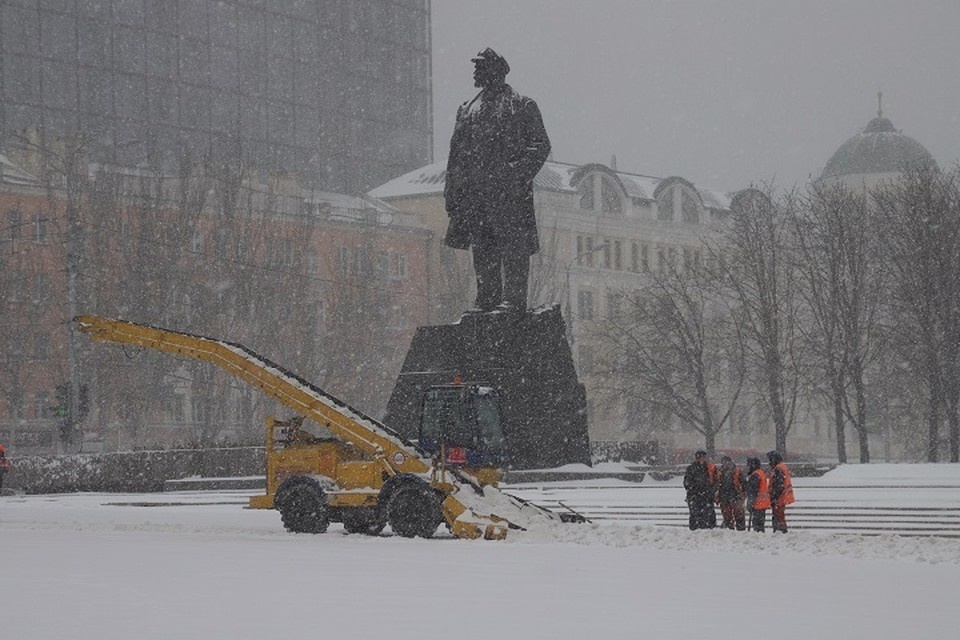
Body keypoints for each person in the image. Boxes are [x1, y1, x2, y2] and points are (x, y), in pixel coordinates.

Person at [444, 47, 552, 312]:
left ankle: (514, 301)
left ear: (497, 70)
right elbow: (456, 154)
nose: (476, 70)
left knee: (513, 247)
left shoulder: (522, 105)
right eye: (476, 66)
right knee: (483, 248)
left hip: (509, 195)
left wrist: (514, 176)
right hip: (477, 194)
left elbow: (540, 145)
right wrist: (453, 191)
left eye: (481, 66)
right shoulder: (467, 109)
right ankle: (487, 298)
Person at [683, 450, 718, 530]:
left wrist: (711, 490)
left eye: (703, 457)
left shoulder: (710, 468)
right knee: (696, 514)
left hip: (706, 496)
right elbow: (687, 482)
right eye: (700, 457)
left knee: (708, 514)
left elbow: (716, 481)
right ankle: (697, 529)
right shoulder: (691, 469)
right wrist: (696, 489)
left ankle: (708, 528)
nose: (702, 459)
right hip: (695, 496)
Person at [767, 450, 795, 533]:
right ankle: (781, 530)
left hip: (779, 497)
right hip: (783, 496)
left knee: (778, 516)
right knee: (780, 516)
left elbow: (778, 485)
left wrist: (774, 497)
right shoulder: (782, 467)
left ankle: (780, 531)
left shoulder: (778, 469)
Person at [716, 455, 745, 530]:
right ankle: (730, 530)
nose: (725, 464)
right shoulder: (720, 472)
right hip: (724, 497)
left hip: (735, 496)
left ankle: (740, 531)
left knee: (739, 516)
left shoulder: (737, 471)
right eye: (723, 462)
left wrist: (742, 495)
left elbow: (744, 484)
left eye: (726, 462)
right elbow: (717, 485)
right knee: (727, 517)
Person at [744, 457, 770, 532]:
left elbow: (752, 491)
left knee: (757, 524)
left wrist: (750, 503)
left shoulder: (755, 475)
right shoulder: (761, 473)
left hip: (757, 503)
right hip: (763, 503)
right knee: (760, 524)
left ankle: (758, 535)